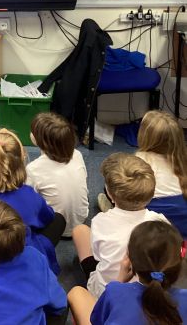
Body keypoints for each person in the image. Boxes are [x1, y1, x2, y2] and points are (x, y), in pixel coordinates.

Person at [0, 128, 66, 275]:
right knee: (58, 220)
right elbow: (48, 218)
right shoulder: (30, 196)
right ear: (22, 158)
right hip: (19, 251)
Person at [72, 153, 168, 298]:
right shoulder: (161, 222)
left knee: (80, 230)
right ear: (151, 195)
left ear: (110, 195)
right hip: (148, 290)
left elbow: (98, 257)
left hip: (107, 292)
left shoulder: (100, 221)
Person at [68, 220, 187, 325]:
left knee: (77, 293)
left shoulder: (115, 292)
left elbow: (97, 320)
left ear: (130, 261)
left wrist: (119, 281)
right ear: (179, 263)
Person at [26, 112, 89, 236]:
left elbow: (28, 199)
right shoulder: (77, 154)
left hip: (55, 228)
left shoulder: (33, 169)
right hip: (80, 221)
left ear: (40, 141)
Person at [136, 110, 187, 237]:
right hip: (182, 230)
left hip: (151, 231)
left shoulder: (140, 160)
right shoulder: (183, 160)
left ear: (144, 136)